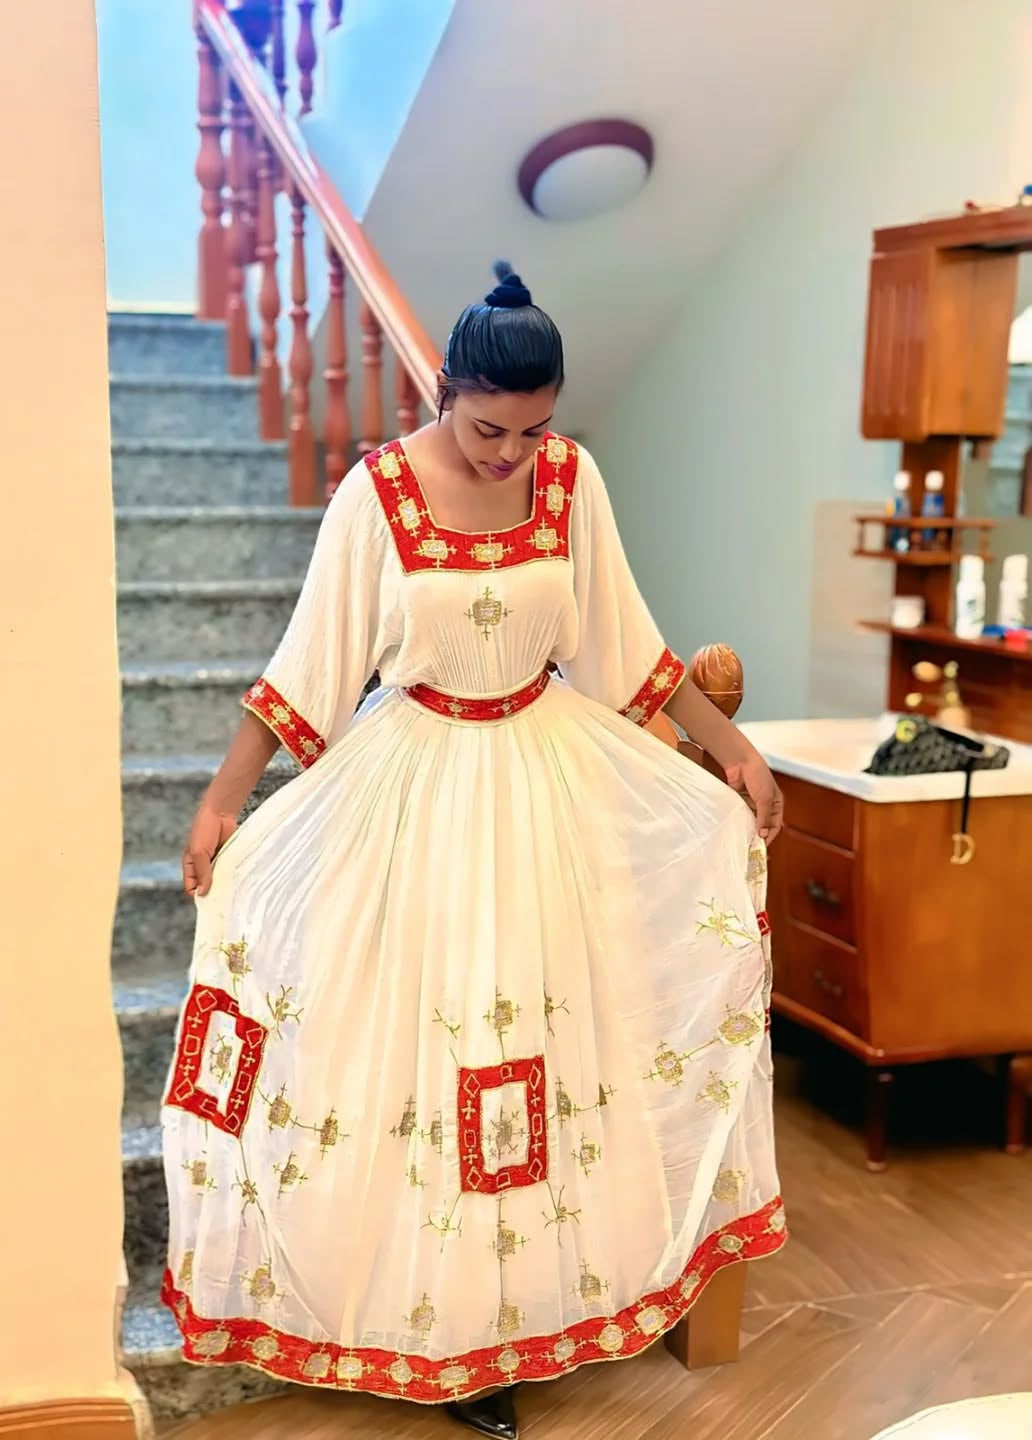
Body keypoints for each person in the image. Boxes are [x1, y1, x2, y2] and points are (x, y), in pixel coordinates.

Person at [161, 263, 786, 1439]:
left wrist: (731, 749)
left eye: (536, 429)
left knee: (547, 1033)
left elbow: (623, 638)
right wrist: (219, 803)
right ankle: (440, 1327)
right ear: (442, 391)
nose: (513, 456)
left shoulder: (571, 479)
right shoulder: (378, 492)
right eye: (491, 428)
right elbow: (310, 661)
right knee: (429, 1049)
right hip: (418, 786)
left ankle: (539, 1303)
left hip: (547, 780)